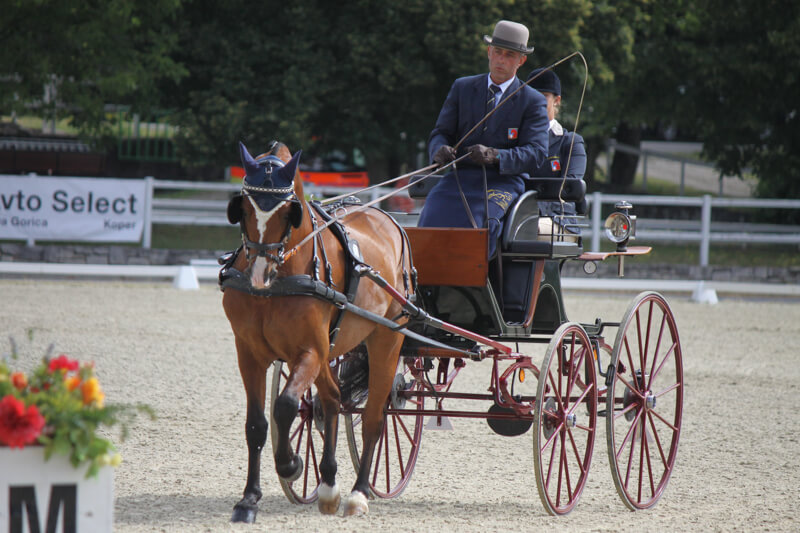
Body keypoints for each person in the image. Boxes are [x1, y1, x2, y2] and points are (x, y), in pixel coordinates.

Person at [418, 20, 550, 258]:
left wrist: (495, 156)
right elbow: (441, 132)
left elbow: (537, 153)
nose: (501, 60)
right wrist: (439, 150)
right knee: (432, 212)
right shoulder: (462, 87)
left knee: (481, 222)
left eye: (509, 55)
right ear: (489, 52)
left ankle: (476, 278)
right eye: (497, 52)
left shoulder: (532, 100)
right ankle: (425, 276)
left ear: (521, 61)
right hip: (459, 178)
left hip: (503, 182)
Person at [526, 67, 586, 242]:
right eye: (532, 97)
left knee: (527, 229)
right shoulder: (515, 139)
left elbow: (568, 189)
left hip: (559, 220)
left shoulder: (570, 142)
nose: (536, 102)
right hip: (519, 214)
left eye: (543, 97)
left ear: (556, 100)